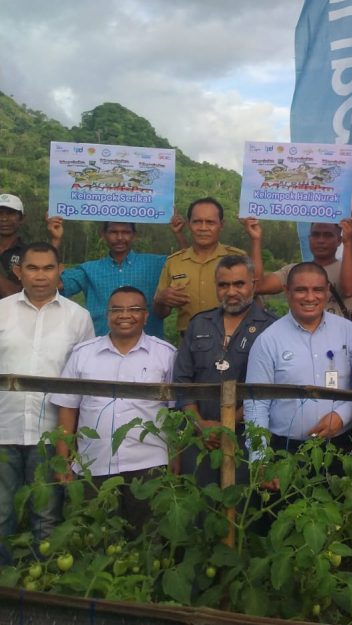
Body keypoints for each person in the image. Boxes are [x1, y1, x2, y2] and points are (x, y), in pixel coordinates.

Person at [50, 286, 176, 533]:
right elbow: (67, 408)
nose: (124, 315)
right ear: (107, 314)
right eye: (117, 309)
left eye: (134, 309)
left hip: (149, 465)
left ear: (146, 315)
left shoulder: (166, 355)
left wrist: (175, 458)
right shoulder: (83, 354)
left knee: (148, 539)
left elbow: (174, 413)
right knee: (95, 538)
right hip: (94, 465)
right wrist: (63, 460)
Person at [0, 243, 94, 560]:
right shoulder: (2, 311)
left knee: (46, 518)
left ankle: (43, 589)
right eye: (32, 268)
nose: (40, 276)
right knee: (1, 515)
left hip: (51, 434)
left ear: (60, 271)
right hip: (3, 429)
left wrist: (74, 442)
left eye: (48, 268)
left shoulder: (78, 318)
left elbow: (84, 381)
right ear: (18, 271)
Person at [244, 262, 352, 468]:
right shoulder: (269, 340)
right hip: (284, 452)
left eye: (317, 290)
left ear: (327, 291)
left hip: (338, 448)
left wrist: (342, 416)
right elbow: (256, 402)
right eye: (301, 290)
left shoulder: (348, 332)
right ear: (286, 292)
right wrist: (260, 459)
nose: (310, 298)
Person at [173, 255, 276, 483]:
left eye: (239, 284)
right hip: (199, 436)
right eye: (223, 285)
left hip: (245, 435)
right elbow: (182, 382)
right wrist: (200, 424)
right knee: (200, 508)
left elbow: (270, 390)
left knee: (240, 505)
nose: (231, 292)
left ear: (253, 285)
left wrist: (228, 425)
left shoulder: (271, 328)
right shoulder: (199, 323)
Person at [48, 217, 186, 339]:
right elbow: (53, 285)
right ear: (103, 234)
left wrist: (179, 234)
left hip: (148, 354)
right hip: (101, 351)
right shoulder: (88, 269)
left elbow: (188, 264)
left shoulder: (156, 264)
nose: (120, 237)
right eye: (113, 232)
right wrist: (55, 239)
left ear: (134, 235)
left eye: (126, 232)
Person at [153, 198, 247, 337]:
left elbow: (255, 302)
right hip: (189, 343)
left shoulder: (238, 258)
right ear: (189, 224)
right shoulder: (174, 262)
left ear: (221, 225)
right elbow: (160, 313)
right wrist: (161, 299)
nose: (203, 228)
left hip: (232, 340)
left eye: (210, 222)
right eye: (197, 222)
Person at [244, 217, 352, 323]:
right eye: (316, 235)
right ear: (309, 238)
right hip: (298, 339)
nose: (321, 240)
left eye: (328, 235)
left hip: (337, 339)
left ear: (339, 240)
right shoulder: (293, 271)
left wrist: (348, 242)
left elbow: (349, 290)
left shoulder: (347, 269)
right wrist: (255, 239)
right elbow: (258, 286)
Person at [0, 193, 28, 298]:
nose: (4, 219)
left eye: (10, 213)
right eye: (0, 213)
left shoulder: (28, 253)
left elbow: (15, 294)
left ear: (22, 218)